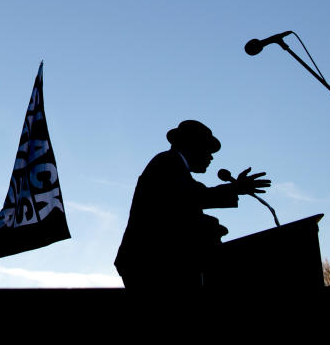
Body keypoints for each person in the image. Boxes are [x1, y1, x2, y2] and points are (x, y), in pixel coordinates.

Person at [114, 120, 270, 289]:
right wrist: (235, 189)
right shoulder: (167, 163)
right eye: (207, 150)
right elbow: (190, 197)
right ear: (192, 145)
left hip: (154, 261)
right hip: (152, 261)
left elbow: (186, 204)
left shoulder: (175, 167)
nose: (211, 157)